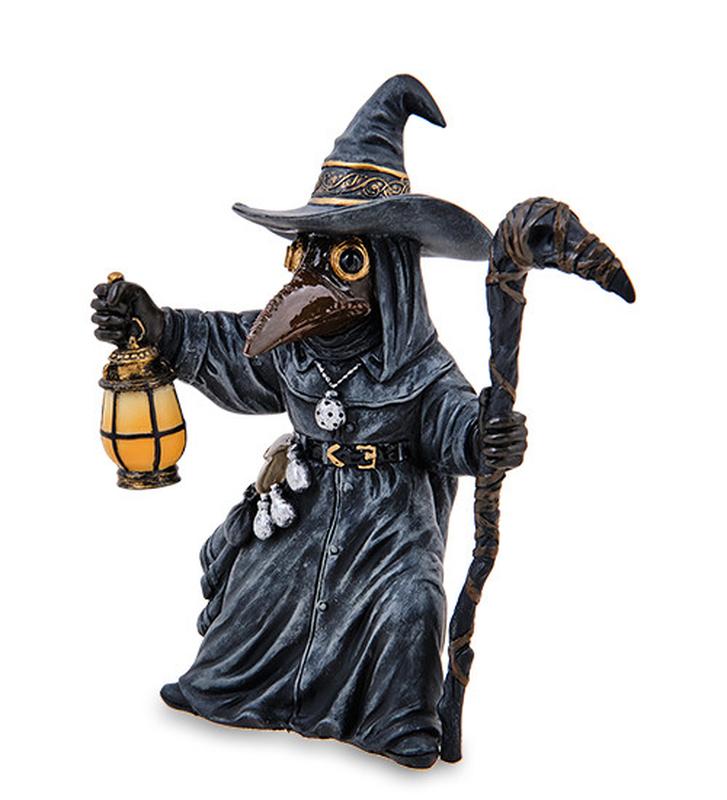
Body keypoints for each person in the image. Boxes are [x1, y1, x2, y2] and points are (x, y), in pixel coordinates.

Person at [91, 75, 527, 769]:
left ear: (388, 272)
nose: (317, 274)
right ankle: (232, 688)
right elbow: (229, 346)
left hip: (389, 533)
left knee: (411, 606)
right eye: (308, 254)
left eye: (346, 260)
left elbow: (452, 422)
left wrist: (484, 437)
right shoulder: (294, 351)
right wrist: (159, 326)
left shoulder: (422, 365)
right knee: (256, 588)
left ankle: (398, 720)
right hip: (302, 507)